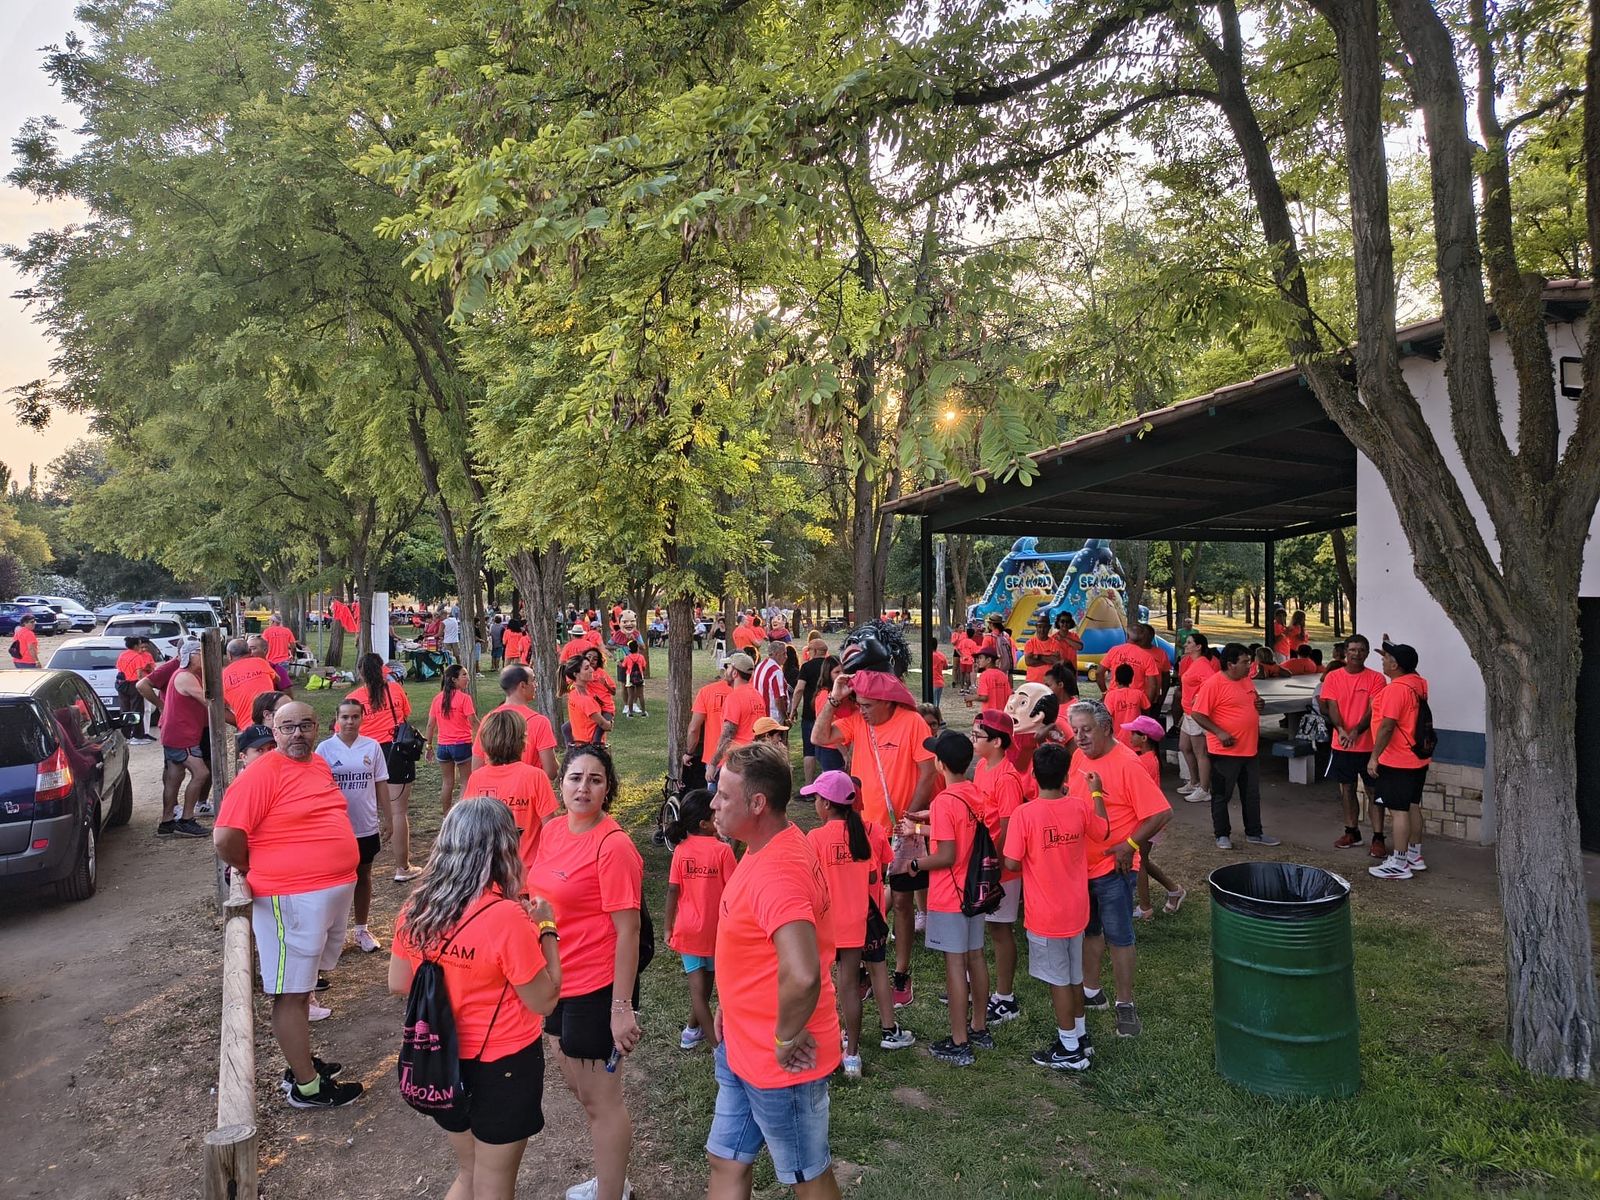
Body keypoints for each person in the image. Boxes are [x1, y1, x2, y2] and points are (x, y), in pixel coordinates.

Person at [388, 798, 563, 1198]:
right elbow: (545, 1000)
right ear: (503, 848)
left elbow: (399, 981)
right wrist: (547, 928)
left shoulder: (417, 908)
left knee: (469, 1174)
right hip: (503, 1066)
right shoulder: (506, 918)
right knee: (494, 1185)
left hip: (440, 1063)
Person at [706, 742, 842, 1199]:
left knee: (808, 1176)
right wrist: (730, 1000)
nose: (713, 803)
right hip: (742, 1045)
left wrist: (785, 1037)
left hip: (779, 1062)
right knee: (726, 1158)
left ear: (757, 804)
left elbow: (802, 973)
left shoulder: (776, 873)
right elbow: (755, 948)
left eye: (724, 796)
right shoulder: (764, 845)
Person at [212, 701, 363, 1108]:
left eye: (305, 726)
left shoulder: (316, 765)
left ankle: (301, 1064)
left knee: (305, 985)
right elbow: (225, 838)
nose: (298, 734)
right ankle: (307, 1087)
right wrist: (253, 866)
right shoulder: (260, 774)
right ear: (273, 731)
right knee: (292, 992)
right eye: (287, 727)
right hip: (289, 898)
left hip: (327, 891)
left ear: (318, 728)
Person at [526, 743, 643, 1200]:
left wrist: (621, 1007)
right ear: (562, 784)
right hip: (556, 981)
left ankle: (612, 1193)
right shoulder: (553, 831)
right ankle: (613, 1179)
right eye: (576, 777)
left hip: (595, 987)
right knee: (582, 1091)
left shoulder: (613, 846)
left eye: (595, 779)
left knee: (602, 1102)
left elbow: (628, 930)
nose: (583, 787)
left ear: (607, 789)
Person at [811, 667, 936, 1009]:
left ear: (885, 700)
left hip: (902, 829)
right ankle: (867, 971)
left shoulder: (913, 723)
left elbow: (927, 773)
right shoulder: (857, 722)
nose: (860, 709)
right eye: (857, 703)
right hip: (864, 829)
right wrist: (834, 699)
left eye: (865, 704)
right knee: (863, 903)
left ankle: (901, 974)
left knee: (902, 903)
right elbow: (819, 738)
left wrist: (910, 816)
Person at [1065, 699, 1172, 1038]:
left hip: (1114, 867)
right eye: (1076, 730)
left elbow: (1160, 813)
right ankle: (1092, 991)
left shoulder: (1128, 763)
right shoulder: (1079, 756)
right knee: (1090, 930)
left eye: (1087, 730)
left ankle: (1125, 1004)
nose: (1080, 737)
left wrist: (1130, 845)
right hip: (1083, 864)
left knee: (1120, 936)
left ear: (1106, 728)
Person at [1001, 742, 1108, 1070]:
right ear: (1065, 775)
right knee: (1074, 975)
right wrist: (1097, 793)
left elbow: (1011, 861)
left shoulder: (1024, 814)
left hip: (1046, 915)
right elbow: (1103, 831)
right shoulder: (1078, 807)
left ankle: (1069, 1049)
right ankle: (1080, 1035)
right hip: (1077, 909)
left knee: (1059, 980)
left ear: (1033, 775)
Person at [803, 770, 914, 1078]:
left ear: (826, 804)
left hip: (827, 924)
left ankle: (831, 1040)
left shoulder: (814, 839)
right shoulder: (870, 831)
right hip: (861, 922)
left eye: (815, 798)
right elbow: (882, 865)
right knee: (860, 981)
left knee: (833, 985)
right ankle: (853, 1054)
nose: (814, 803)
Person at [898, 728, 990, 1066]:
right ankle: (979, 1026)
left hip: (951, 895)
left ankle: (959, 1040)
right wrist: (926, 824)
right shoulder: (972, 792)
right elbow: (961, 830)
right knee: (976, 958)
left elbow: (947, 855)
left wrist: (915, 863)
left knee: (955, 964)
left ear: (939, 763)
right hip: (975, 890)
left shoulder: (945, 801)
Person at [1188, 643, 1280, 851]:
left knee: (1251, 794)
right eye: (1245, 662)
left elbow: (1254, 700)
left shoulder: (1246, 680)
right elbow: (1197, 713)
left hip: (1250, 749)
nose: (1250, 666)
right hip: (1225, 753)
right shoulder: (1214, 684)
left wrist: (1260, 703)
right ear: (1230, 664)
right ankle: (1222, 834)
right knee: (1222, 794)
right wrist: (1219, 732)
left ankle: (1254, 833)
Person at [316, 698, 391, 953]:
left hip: (366, 824)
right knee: (333, 880)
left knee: (364, 875)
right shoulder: (325, 750)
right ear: (336, 719)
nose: (349, 722)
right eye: (345, 717)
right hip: (335, 827)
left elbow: (380, 782)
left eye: (355, 717)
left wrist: (388, 817)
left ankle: (361, 929)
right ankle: (328, 932)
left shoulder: (372, 747)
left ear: (362, 718)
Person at [664, 789, 735, 1052]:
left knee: (700, 992)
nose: (720, 814)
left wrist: (667, 927)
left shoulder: (681, 851)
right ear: (705, 823)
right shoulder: (723, 852)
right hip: (718, 933)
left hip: (688, 933)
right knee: (705, 992)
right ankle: (719, 1048)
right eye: (715, 812)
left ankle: (691, 1032)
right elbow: (734, 891)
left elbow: (673, 890)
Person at [969, 709, 1026, 1027]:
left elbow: (1007, 826)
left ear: (998, 741)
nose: (973, 740)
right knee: (986, 927)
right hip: (983, 862)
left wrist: (994, 870)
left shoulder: (1007, 778)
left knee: (1001, 931)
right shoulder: (980, 766)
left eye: (979, 736)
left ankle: (1005, 998)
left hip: (1000, 869)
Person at [346, 652, 420, 882]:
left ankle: (353, 865)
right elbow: (406, 714)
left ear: (360, 672)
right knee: (398, 811)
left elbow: (346, 729)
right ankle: (402, 867)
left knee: (360, 810)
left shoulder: (353, 698)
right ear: (383, 670)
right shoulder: (395, 690)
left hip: (365, 754)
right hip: (395, 752)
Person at [1320, 634, 1389, 856]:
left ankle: (1378, 837)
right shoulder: (1333, 677)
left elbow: (1373, 710)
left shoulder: (1376, 678)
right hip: (1341, 745)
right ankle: (1352, 832)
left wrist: (1356, 732)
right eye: (1352, 650)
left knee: (1373, 791)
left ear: (1367, 653)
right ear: (1345, 652)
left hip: (1369, 747)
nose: (1356, 654)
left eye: (1361, 650)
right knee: (1347, 789)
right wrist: (1341, 730)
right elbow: (1331, 706)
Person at [1368, 641, 1431, 881]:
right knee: (1412, 805)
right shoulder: (1417, 683)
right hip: (1416, 758)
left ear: (1396, 664)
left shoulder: (1397, 690)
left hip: (1397, 759)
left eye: (1386, 658)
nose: (1382, 660)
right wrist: (1394, 650)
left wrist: (1374, 757)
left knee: (1398, 811)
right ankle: (1415, 855)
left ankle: (1399, 862)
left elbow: (1387, 726)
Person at [464, 709, 559, 869]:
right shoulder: (536, 777)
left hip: (489, 875)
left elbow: (469, 828)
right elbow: (550, 830)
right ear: (522, 743)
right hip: (528, 875)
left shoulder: (476, 778)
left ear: (485, 744)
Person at [137, 638, 209, 838]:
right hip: (181, 735)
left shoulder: (184, 674)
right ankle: (186, 820)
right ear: (190, 656)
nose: (204, 658)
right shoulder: (185, 676)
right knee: (201, 773)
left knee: (174, 777)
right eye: (200, 654)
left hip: (176, 732)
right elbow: (209, 701)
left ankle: (166, 822)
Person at [1122, 716, 1185, 918]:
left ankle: (1145, 907)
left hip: (1148, 819)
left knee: (1138, 862)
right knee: (1143, 861)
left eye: (1134, 733)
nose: (1130, 736)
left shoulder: (1142, 762)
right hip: (1148, 818)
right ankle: (1175, 890)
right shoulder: (1149, 758)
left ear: (1144, 738)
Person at [472, 665, 560, 780]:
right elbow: (550, 772)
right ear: (522, 685)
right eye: (533, 680)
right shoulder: (539, 722)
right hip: (527, 792)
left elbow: (476, 766)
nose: (536, 685)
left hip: (494, 793)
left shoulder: (489, 719)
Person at [426, 664, 479, 815]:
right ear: (454, 680)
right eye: (464, 675)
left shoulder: (437, 699)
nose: (467, 678)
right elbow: (474, 722)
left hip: (443, 747)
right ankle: (462, 816)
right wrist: (484, 735)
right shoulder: (464, 698)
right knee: (465, 782)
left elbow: (430, 725)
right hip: (462, 745)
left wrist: (429, 746)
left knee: (447, 782)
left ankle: (446, 816)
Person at [1174, 632, 1219, 805]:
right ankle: (1194, 782)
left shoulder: (1202, 664)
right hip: (1188, 713)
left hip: (1196, 714)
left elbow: (1211, 683)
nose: (1185, 645)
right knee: (1184, 747)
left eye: (1189, 643)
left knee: (1200, 752)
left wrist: (1199, 696)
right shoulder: (1193, 662)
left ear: (1198, 646)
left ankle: (1204, 789)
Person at [708, 653, 765, 778]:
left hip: (735, 762)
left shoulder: (734, 698)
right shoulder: (757, 696)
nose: (725, 670)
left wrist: (712, 764)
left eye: (728, 667)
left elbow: (728, 735)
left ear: (735, 673)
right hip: (753, 758)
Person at [683, 661, 733, 790]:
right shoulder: (753, 693)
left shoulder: (707, 692)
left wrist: (689, 752)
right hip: (743, 758)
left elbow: (694, 728)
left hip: (714, 758)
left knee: (713, 803)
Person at [789, 638, 831, 784]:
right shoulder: (831, 665)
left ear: (814, 651)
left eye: (809, 650)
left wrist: (793, 709)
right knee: (829, 748)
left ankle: (809, 785)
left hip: (810, 713)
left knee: (809, 750)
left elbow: (799, 689)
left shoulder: (806, 667)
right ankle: (829, 784)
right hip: (829, 712)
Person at [222, 637, 279, 731]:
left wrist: (239, 722)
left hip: (247, 729)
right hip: (272, 722)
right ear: (250, 651)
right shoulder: (261, 662)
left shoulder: (224, 675)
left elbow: (219, 709)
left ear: (229, 656)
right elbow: (277, 680)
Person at [564, 656, 613, 748]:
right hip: (590, 749)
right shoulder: (585, 700)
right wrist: (610, 723)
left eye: (590, 666)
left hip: (579, 745)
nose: (591, 670)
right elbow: (604, 725)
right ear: (576, 674)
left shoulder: (574, 693)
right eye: (586, 668)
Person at [115, 635, 155, 743]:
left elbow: (119, 669)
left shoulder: (122, 655)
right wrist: (143, 684)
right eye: (139, 644)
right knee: (137, 710)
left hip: (122, 685)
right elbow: (139, 673)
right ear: (136, 645)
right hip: (134, 684)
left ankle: (126, 735)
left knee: (125, 709)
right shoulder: (137, 657)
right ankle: (138, 736)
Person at [1103, 662, 1151, 747]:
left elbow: (1107, 717)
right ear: (1132, 679)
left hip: (1117, 742)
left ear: (1116, 680)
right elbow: (1146, 712)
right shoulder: (1139, 694)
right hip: (1137, 741)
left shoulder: (1110, 695)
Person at [752, 642, 790, 723]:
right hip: (773, 717)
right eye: (784, 654)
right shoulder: (776, 671)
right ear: (776, 654)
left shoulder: (760, 666)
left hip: (759, 714)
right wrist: (785, 717)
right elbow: (778, 698)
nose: (786, 657)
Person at [969, 643, 1012, 711]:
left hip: (989, 714)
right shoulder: (1002, 675)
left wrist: (971, 698)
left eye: (980, 658)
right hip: (1003, 713)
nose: (978, 661)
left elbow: (984, 697)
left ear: (988, 660)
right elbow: (1009, 695)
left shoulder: (984, 675)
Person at [1022, 611, 1060, 684]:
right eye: (1039, 627)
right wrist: (1048, 659)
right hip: (1032, 681)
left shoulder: (1055, 643)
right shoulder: (1030, 643)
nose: (1042, 630)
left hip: (1049, 682)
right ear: (1036, 627)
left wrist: (1038, 656)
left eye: (1045, 627)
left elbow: (1055, 661)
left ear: (1049, 627)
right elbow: (1029, 662)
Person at [619, 641, 647, 717]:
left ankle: (630, 713)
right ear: (637, 648)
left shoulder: (627, 657)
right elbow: (644, 667)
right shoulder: (641, 657)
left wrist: (620, 663)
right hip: (640, 676)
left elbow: (624, 667)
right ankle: (643, 712)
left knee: (630, 695)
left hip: (629, 677)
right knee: (641, 695)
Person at [928, 639, 949, 706]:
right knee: (937, 703)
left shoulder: (929, 655)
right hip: (940, 682)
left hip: (932, 682)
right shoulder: (941, 655)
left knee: (932, 704)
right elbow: (946, 667)